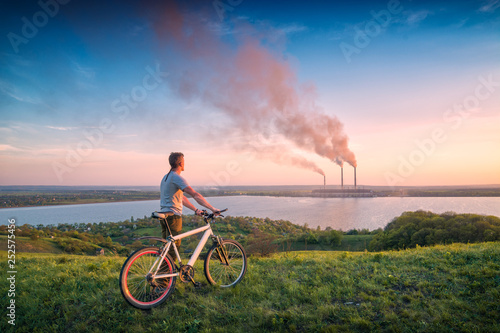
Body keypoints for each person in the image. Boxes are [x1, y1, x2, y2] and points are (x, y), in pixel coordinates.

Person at [159, 152, 219, 260]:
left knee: (166, 248)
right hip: (173, 217)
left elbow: (181, 198)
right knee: (173, 250)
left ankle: (162, 275)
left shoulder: (166, 177)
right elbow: (195, 195)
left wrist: (196, 210)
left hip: (164, 216)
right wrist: (212, 208)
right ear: (181, 163)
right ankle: (166, 277)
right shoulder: (177, 177)